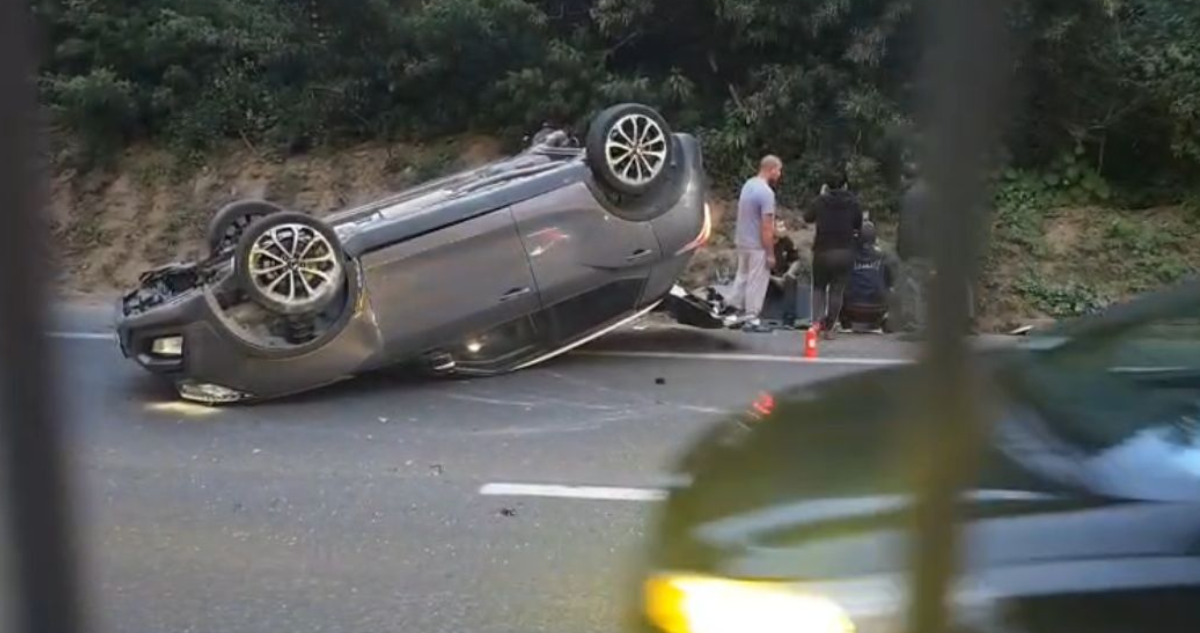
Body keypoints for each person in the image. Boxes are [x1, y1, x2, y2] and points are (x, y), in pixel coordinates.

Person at [803, 169, 863, 339]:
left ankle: (815, 324)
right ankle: (829, 328)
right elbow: (858, 225)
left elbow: (807, 217)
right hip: (845, 252)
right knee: (837, 290)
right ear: (845, 184)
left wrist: (820, 196)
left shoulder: (821, 201)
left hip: (823, 251)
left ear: (826, 186)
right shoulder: (853, 202)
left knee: (819, 288)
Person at [726, 155, 783, 332]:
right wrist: (771, 253)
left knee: (742, 277)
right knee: (756, 281)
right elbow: (766, 227)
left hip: (742, 240)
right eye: (779, 170)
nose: (779, 174)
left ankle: (732, 313)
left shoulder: (748, 185)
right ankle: (752, 318)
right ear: (771, 169)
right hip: (757, 244)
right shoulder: (767, 193)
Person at [840, 221, 898, 332]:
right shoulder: (883, 257)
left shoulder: (848, 256)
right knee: (892, 288)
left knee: (837, 286)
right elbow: (890, 283)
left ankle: (843, 321)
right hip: (877, 308)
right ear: (875, 238)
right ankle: (888, 320)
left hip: (852, 307)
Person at [769, 217, 806, 327]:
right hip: (767, 279)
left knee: (791, 280)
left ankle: (789, 319)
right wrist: (774, 279)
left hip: (782, 277)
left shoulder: (786, 241)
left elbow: (796, 260)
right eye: (780, 227)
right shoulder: (763, 243)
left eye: (783, 226)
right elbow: (756, 269)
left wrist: (790, 272)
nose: (783, 229)